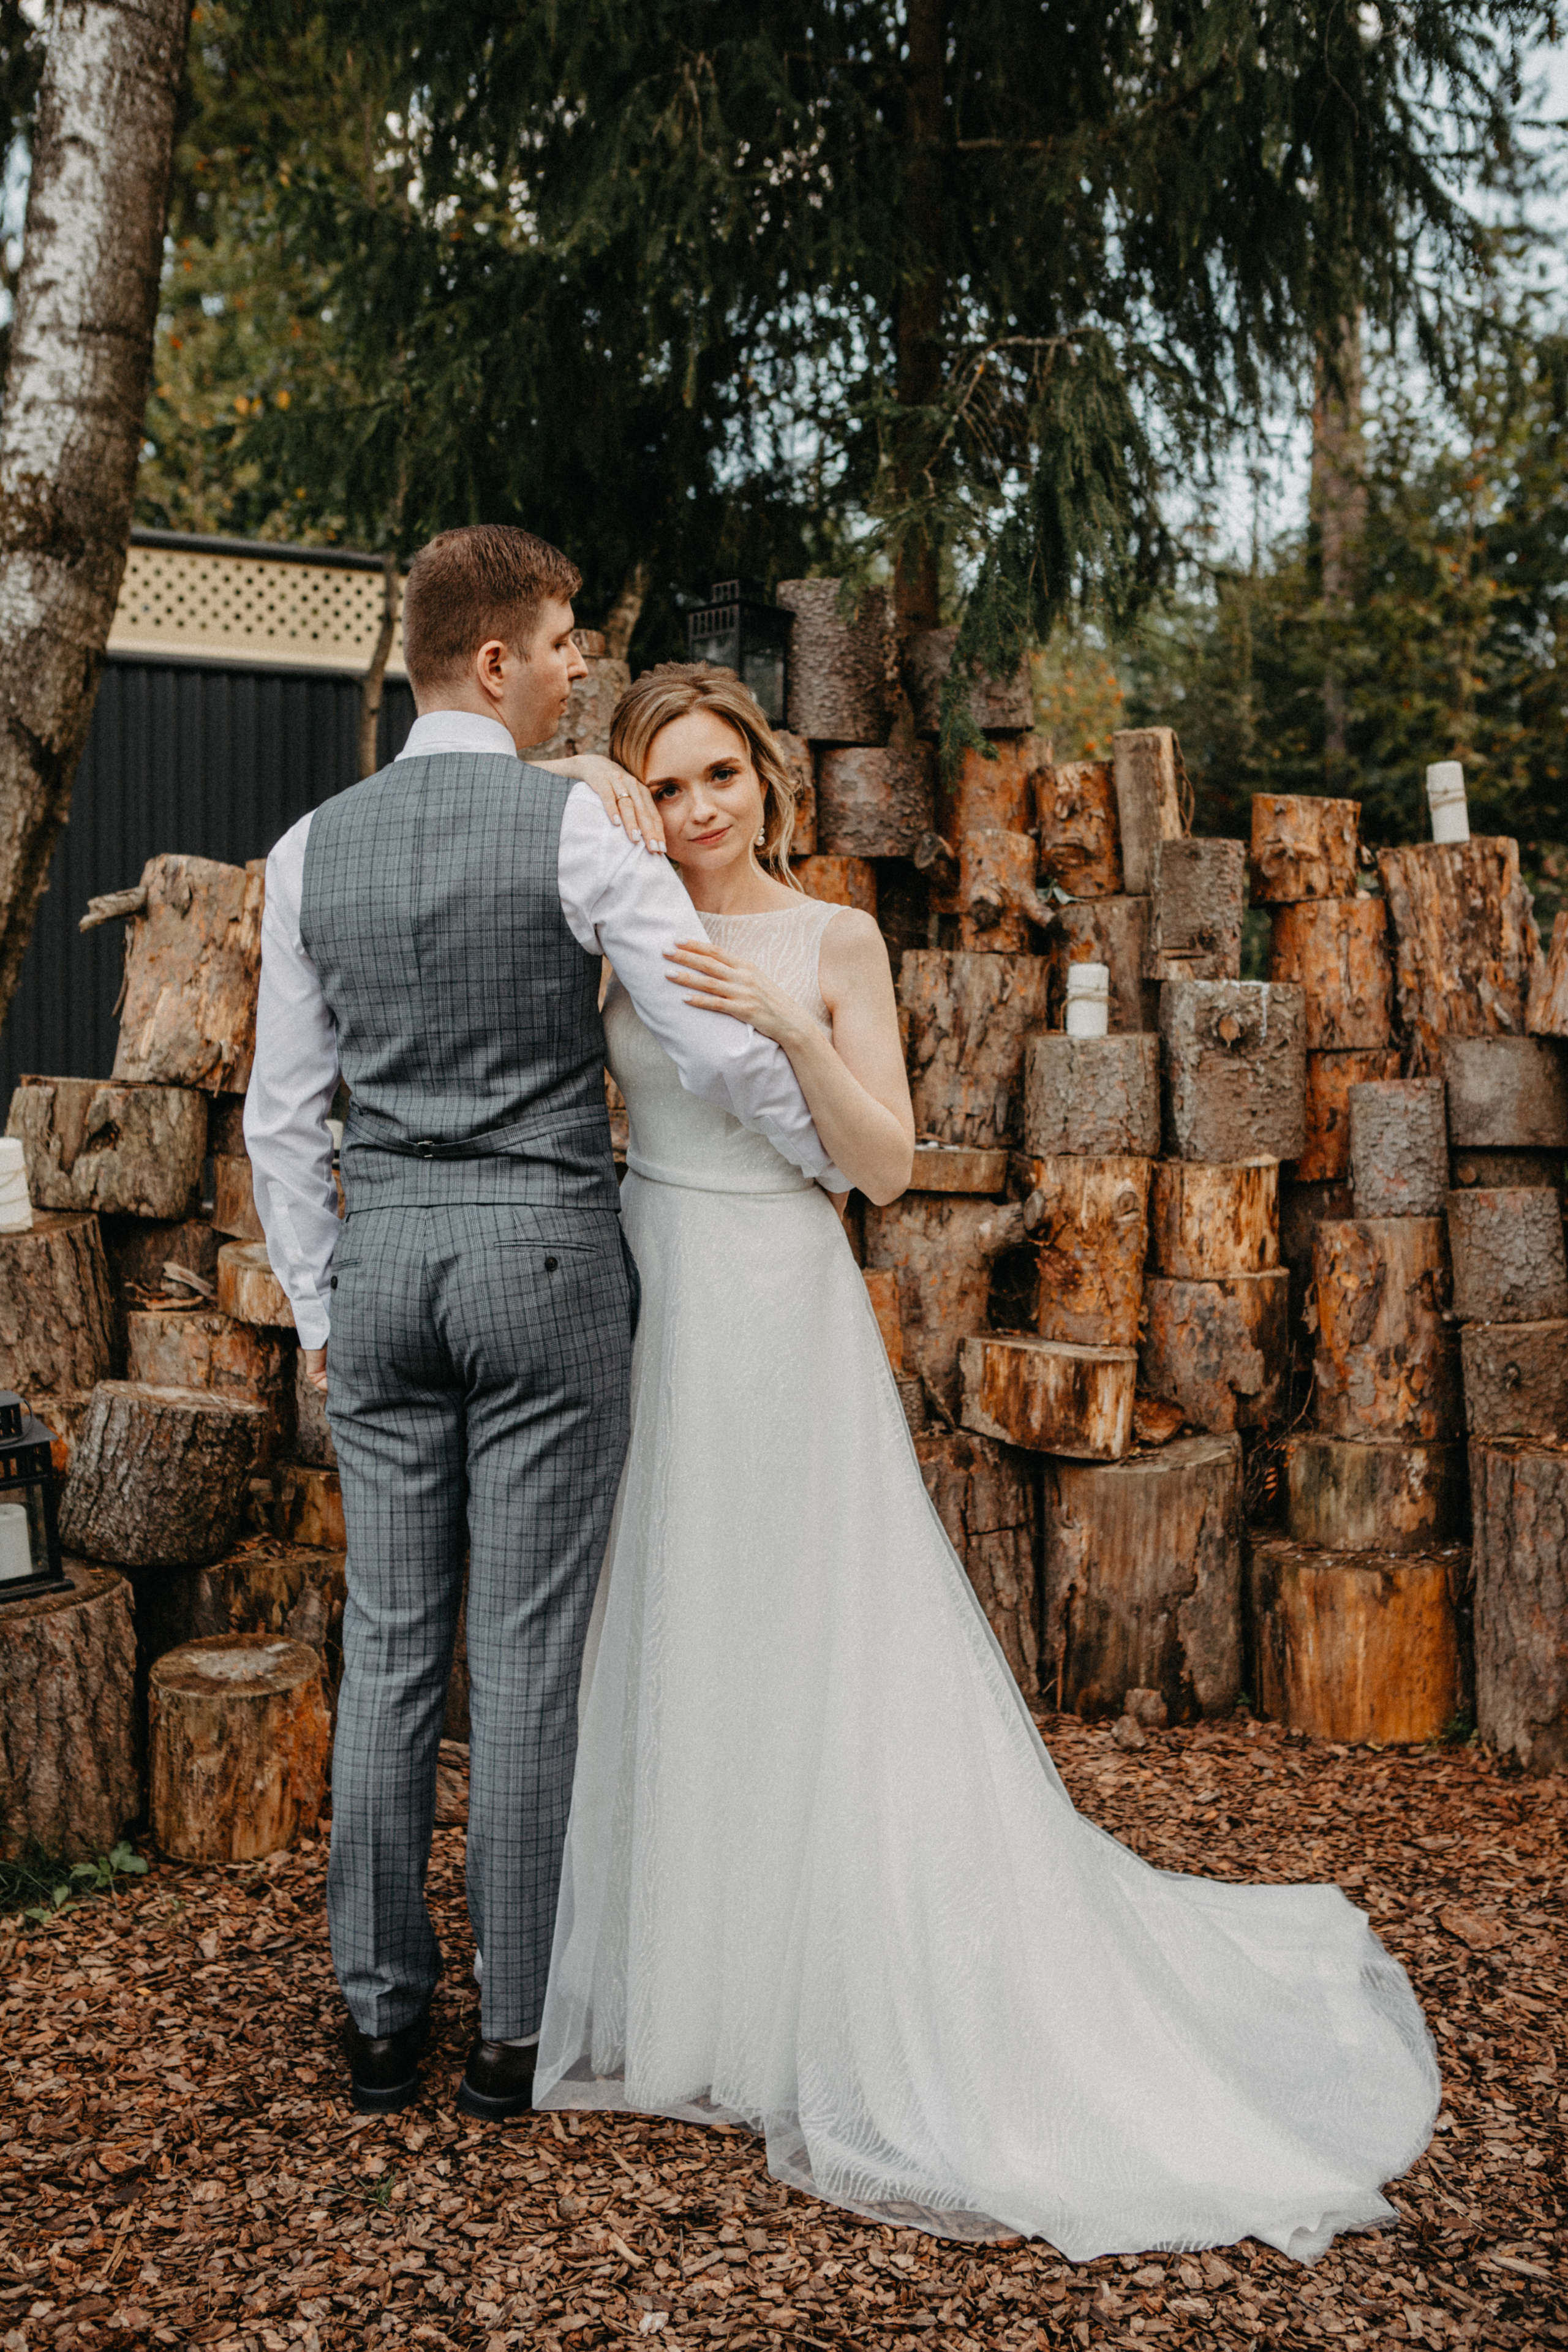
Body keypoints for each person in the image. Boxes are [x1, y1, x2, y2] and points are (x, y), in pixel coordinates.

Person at [533, 660, 1441, 2263]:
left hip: (780, 1295)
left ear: (767, 774)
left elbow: (884, 1162)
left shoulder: (835, 938)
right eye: (661, 787)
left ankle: (833, 1985)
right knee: (682, 1632)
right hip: (650, 1298)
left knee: (813, 1636)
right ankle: (693, 2003)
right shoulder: (613, 927)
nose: (692, 812)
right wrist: (582, 797)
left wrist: (788, 1034)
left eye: (714, 778)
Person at [244, 529, 846, 2122]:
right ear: (497, 661)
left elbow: (280, 1123)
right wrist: (819, 1153)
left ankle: (380, 2025)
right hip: (548, 1274)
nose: (585, 665)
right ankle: (515, 2029)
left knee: (387, 1653)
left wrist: (323, 1306)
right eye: (569, 642)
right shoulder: (578, 841)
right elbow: (710, 1034)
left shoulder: (310, 849)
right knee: (521, 1657)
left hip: (383, 1275)